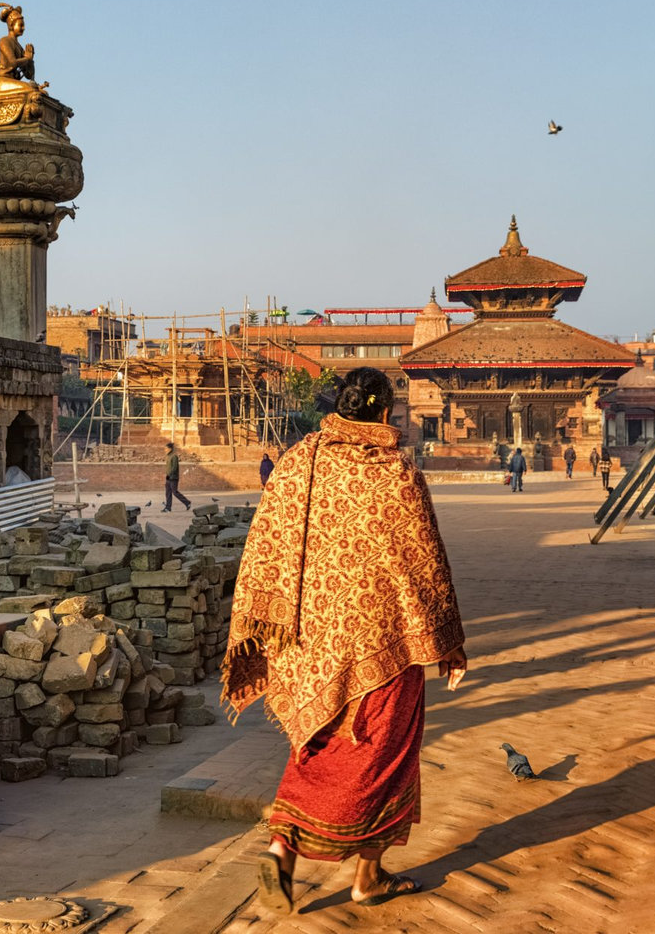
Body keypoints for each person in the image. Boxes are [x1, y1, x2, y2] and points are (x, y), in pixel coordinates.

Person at [225, 367, 466, 913]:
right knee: (382, 755)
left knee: (317, 746)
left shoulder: (297, 462)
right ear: (384, 413)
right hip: (386, 645)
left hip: (310, 645)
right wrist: (448, 639)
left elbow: (264, 546)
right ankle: (368, 876)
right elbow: (426, 565)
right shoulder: (396, 474)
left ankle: (281, 850)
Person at [164, 442, 192, 513]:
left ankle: (187, 502)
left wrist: (169, 474)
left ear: (170, 449)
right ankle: (168, 508)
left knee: (175, 492)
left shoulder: (174, 456)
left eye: (166, 448)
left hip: (173, 478)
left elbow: (174, 467)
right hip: (168, 477)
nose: (165, 450)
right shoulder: (168, 456)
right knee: (168, 493)